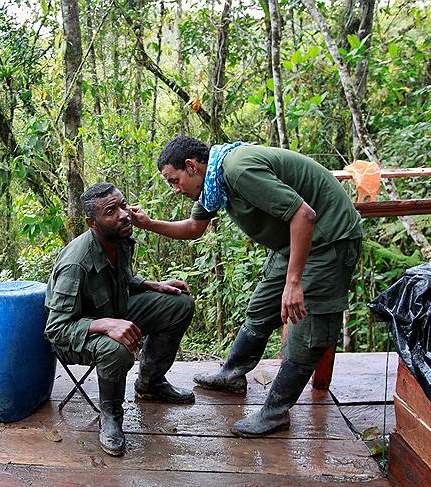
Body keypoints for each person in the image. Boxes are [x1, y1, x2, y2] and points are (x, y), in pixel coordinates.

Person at [130, 137, 362, 437]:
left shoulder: (237, 170)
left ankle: (275, 413)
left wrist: (294, 282)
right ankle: (232, 376)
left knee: (307, 333)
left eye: (175, 181)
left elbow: (304, 215)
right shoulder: (212, 184)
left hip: (327, 240)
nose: (175, 190)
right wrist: (147, 223)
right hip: (291, 243)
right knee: (261, 309)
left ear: (191, 166)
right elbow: (193, 228)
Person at [45, 183, 196, 456]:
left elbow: (121, 279)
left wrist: (151, 285)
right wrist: (105, 324)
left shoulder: (121, 238)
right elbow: (56, 329)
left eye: (124, 205)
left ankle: (150, 383)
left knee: (179, 304)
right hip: (76, 335)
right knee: (116, 348)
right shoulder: (75, 263)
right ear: (93, 223)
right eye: (111, 211)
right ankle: (111, 415)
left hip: (116, 310)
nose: (124, 215)